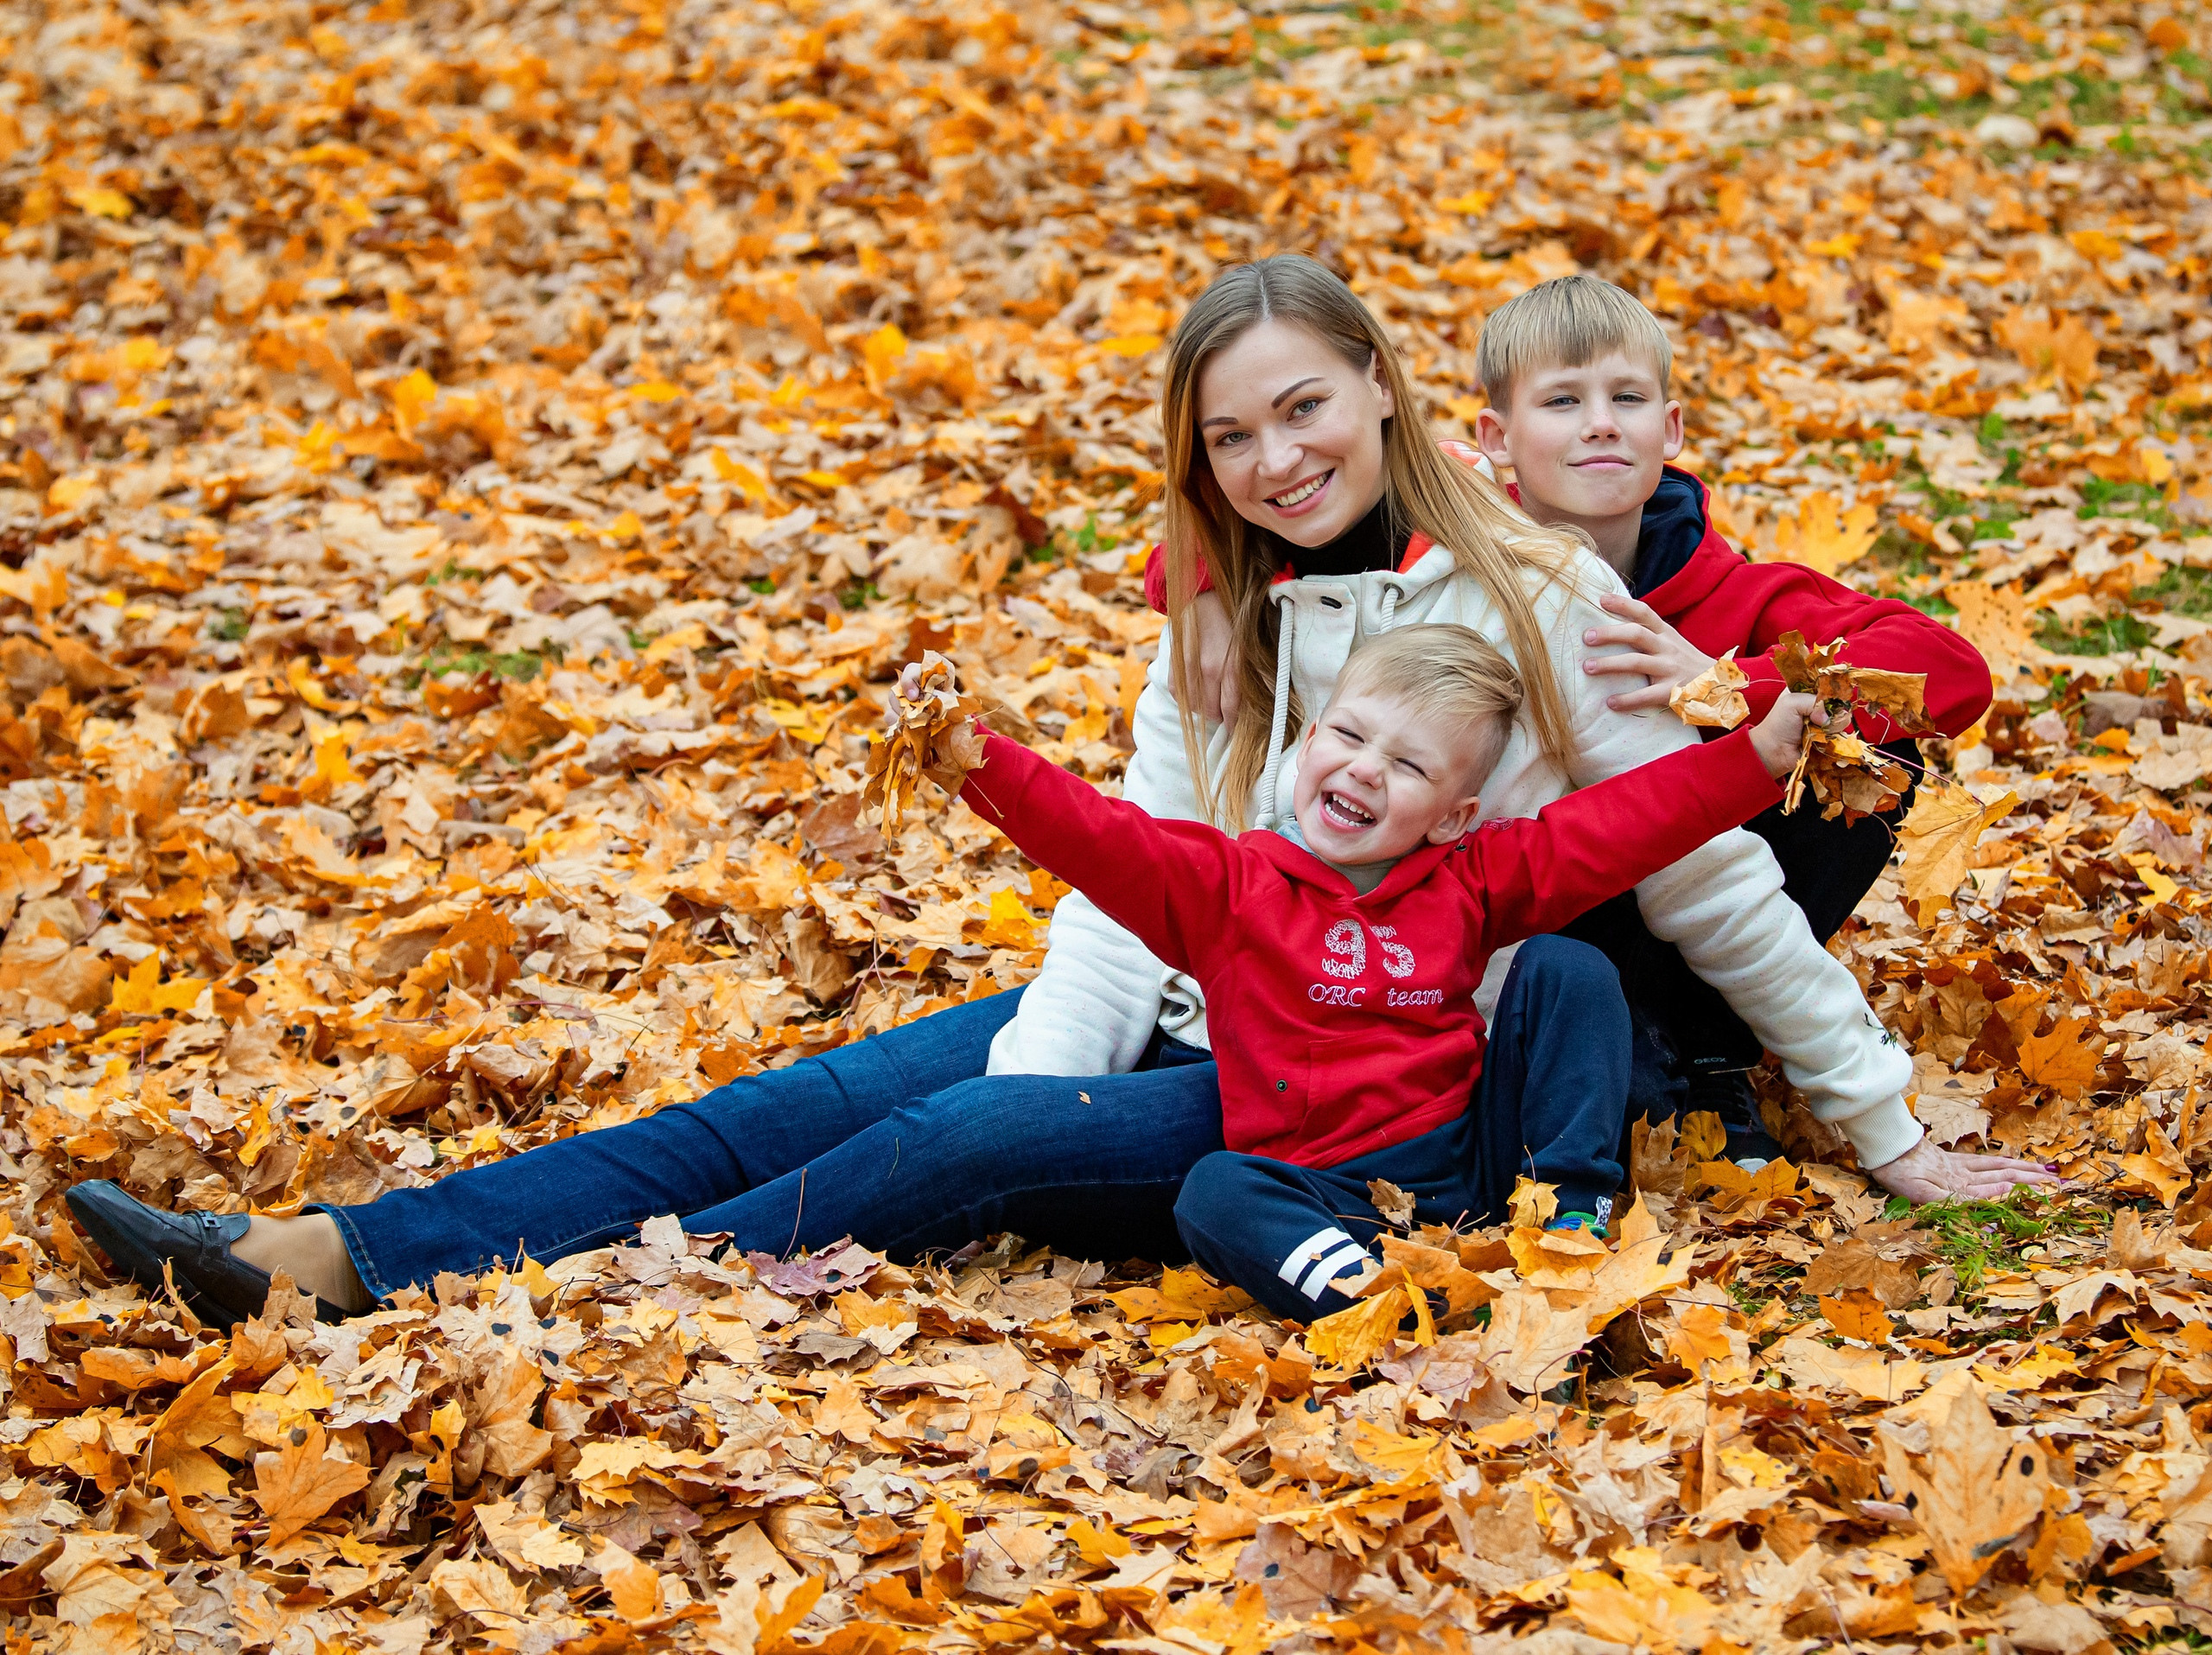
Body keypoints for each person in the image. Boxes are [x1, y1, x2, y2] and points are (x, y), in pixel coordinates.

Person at [65, 255, 2050, 1333]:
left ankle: (544, 1293)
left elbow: (1699, 876)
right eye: (1231, 436)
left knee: (934, 1139)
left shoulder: (1536, 596)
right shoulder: (1209, 616)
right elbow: (1128, 880)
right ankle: (332, 1250)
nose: (1278, 458)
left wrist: (1884, 1130)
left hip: (1360, 1061)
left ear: (1377, 385)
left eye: (1304, 407)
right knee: (801, 1097)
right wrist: (1043, 1071)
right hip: (1195, 994)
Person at [1141, 273, 1996, 1157]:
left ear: (1669, 427)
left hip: (1689, 884)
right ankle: (1633, 1060)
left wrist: (1727, 687)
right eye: (1562, 401)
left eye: (1625, 398)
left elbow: (1951, 675)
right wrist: (1197, 583)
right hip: (1535, 910)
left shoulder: (1724, 596)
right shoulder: (1464, 545)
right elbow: (1279, 498)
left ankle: (1708, 1048)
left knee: (1856, 767)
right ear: (1496, 441)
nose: (1598, 424)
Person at [938, 624, 1818, 1321]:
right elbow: (1093, 831)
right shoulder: (1230, 888)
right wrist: (966, 751)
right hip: (1327, 1189)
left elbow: (1622, 822)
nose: (1365, 767)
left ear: (1453, 815)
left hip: (1477, 1161)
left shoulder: (1471, 879)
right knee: (1215, 1192)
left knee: (1567, 967)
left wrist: (1756, 757)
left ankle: (1570, 1224)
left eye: (1407, 765)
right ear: (1309, 741)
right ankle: (1385, 1306)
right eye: (1351, 736)